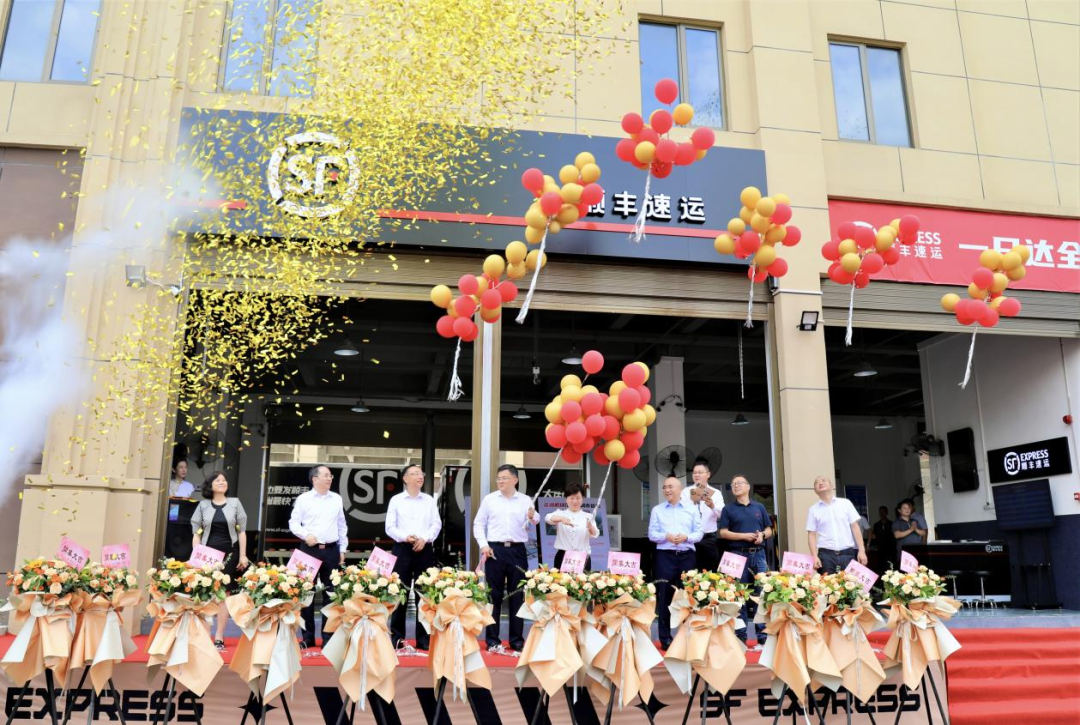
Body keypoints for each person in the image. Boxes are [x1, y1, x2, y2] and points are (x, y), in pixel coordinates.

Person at [474, 463, 538, 656]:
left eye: (504, 478)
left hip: (517, 550)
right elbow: (479, 523)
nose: (500, 481)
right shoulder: (490, 499)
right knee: (493, 596)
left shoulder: (525, 500)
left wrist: (533, 515)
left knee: (517, 595)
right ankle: (492, 640)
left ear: (515, 480)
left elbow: (536, 520)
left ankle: (516, 640)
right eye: (498, 478)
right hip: (495, 550)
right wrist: (483, 545)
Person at [289, 465, 348, 649]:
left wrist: (343, 549)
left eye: (330, 476)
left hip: (331, 549)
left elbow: (342, 525)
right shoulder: (304, 499)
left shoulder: (336, 498)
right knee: (307, 594)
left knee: (332, 594)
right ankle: (307, 637)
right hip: (309, 550)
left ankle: (328, 637)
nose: (330, 478)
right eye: (326, 475)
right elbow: (293, 523)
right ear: (314, 479)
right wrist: (305, 534)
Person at [190, 471, 249, 650]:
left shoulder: (235, 503)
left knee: (224, 594)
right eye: (218, 480)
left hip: (229, 554)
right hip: (207, 555)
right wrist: (196, 555)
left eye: (224, 480)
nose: (222, 482)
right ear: (210, 485)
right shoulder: (203, 505)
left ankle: (219, 636)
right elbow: (196, 533)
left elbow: (242, 531)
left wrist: (243, 555)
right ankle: (205, 633)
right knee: (206, 593)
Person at [385, 464, 440, 653]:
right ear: (405, 478)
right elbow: (389, 527)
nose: (420, 476)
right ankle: (397, 638)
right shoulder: (396, 500)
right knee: (399, 593)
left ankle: (423, 639)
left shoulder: (429, 500)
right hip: (402, 549)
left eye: (421, 473)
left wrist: (425, 538)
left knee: (424, 595)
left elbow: (436, 524)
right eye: (415, 473)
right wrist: (405, 537)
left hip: (424, 549)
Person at [718, 474, 773, 648]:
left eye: (739, 483)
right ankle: (740, 636)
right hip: (736, 555)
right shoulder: (728, 509)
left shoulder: (759, 507)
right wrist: (743, 536)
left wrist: (762, 535)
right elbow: (723, 532)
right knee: (738, 595)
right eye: (733, 484)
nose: (736, 486)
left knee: (761, 595)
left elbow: (769, 530)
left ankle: (762, 636)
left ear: (748, 487)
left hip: (758, 554)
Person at [648, 476, 702, 650]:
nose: (667, 490)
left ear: (680, 489)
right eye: (664, 487)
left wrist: (687, 537)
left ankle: (688, 636)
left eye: (670, 487)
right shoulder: (657, 510)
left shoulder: (691, 509)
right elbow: (652, 534)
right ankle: (665, 638)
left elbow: (699, 533)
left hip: (687, 556)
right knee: (664, 596)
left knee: (688, 596)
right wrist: (666, 536)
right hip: (665, 556)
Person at [806, 475, 867, 574]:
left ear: (831, 486)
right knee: (827, 583)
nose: (820, 483)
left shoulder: (846, 503)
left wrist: (862, 550)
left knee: (849, 582)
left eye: (823, 480)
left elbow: (855, 527)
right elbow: (811, 534)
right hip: (826, 555)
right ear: (815, 490)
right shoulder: (813, 509)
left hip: (847, 553)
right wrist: (814, 556)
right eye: (816, 482)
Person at [545, 482, 599, 570]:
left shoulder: (588, 516)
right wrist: (561, 519)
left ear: (582, 499)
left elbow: (595, 534)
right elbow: (548, 518)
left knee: (582, 579)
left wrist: (590, 527)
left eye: (578, 498)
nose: (575, 501)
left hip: (582, 557)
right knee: (560, 579)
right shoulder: (560, 513)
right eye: (571, 498)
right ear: (566, 499)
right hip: (563, 556)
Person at [682, 459, 722, 571]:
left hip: (708, 537)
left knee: (710, 571)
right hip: (690, 537)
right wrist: (692, 504)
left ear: (708, 474)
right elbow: (681, 513)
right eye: (694, 473)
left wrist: (712, 506)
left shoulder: (716, 493)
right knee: (690, 570)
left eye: (700, 472)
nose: (696, 475)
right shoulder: (686, 492)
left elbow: (722, 514)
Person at [868, 505, 893, 572]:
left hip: (890, 549)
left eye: (883, 512)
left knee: (890, 566)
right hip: (880, 549)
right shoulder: (876, 525)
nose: (882, 513)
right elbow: (873, 535)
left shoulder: (891, 524)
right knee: (881, 566)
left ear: (886, 513)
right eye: (880, 512)